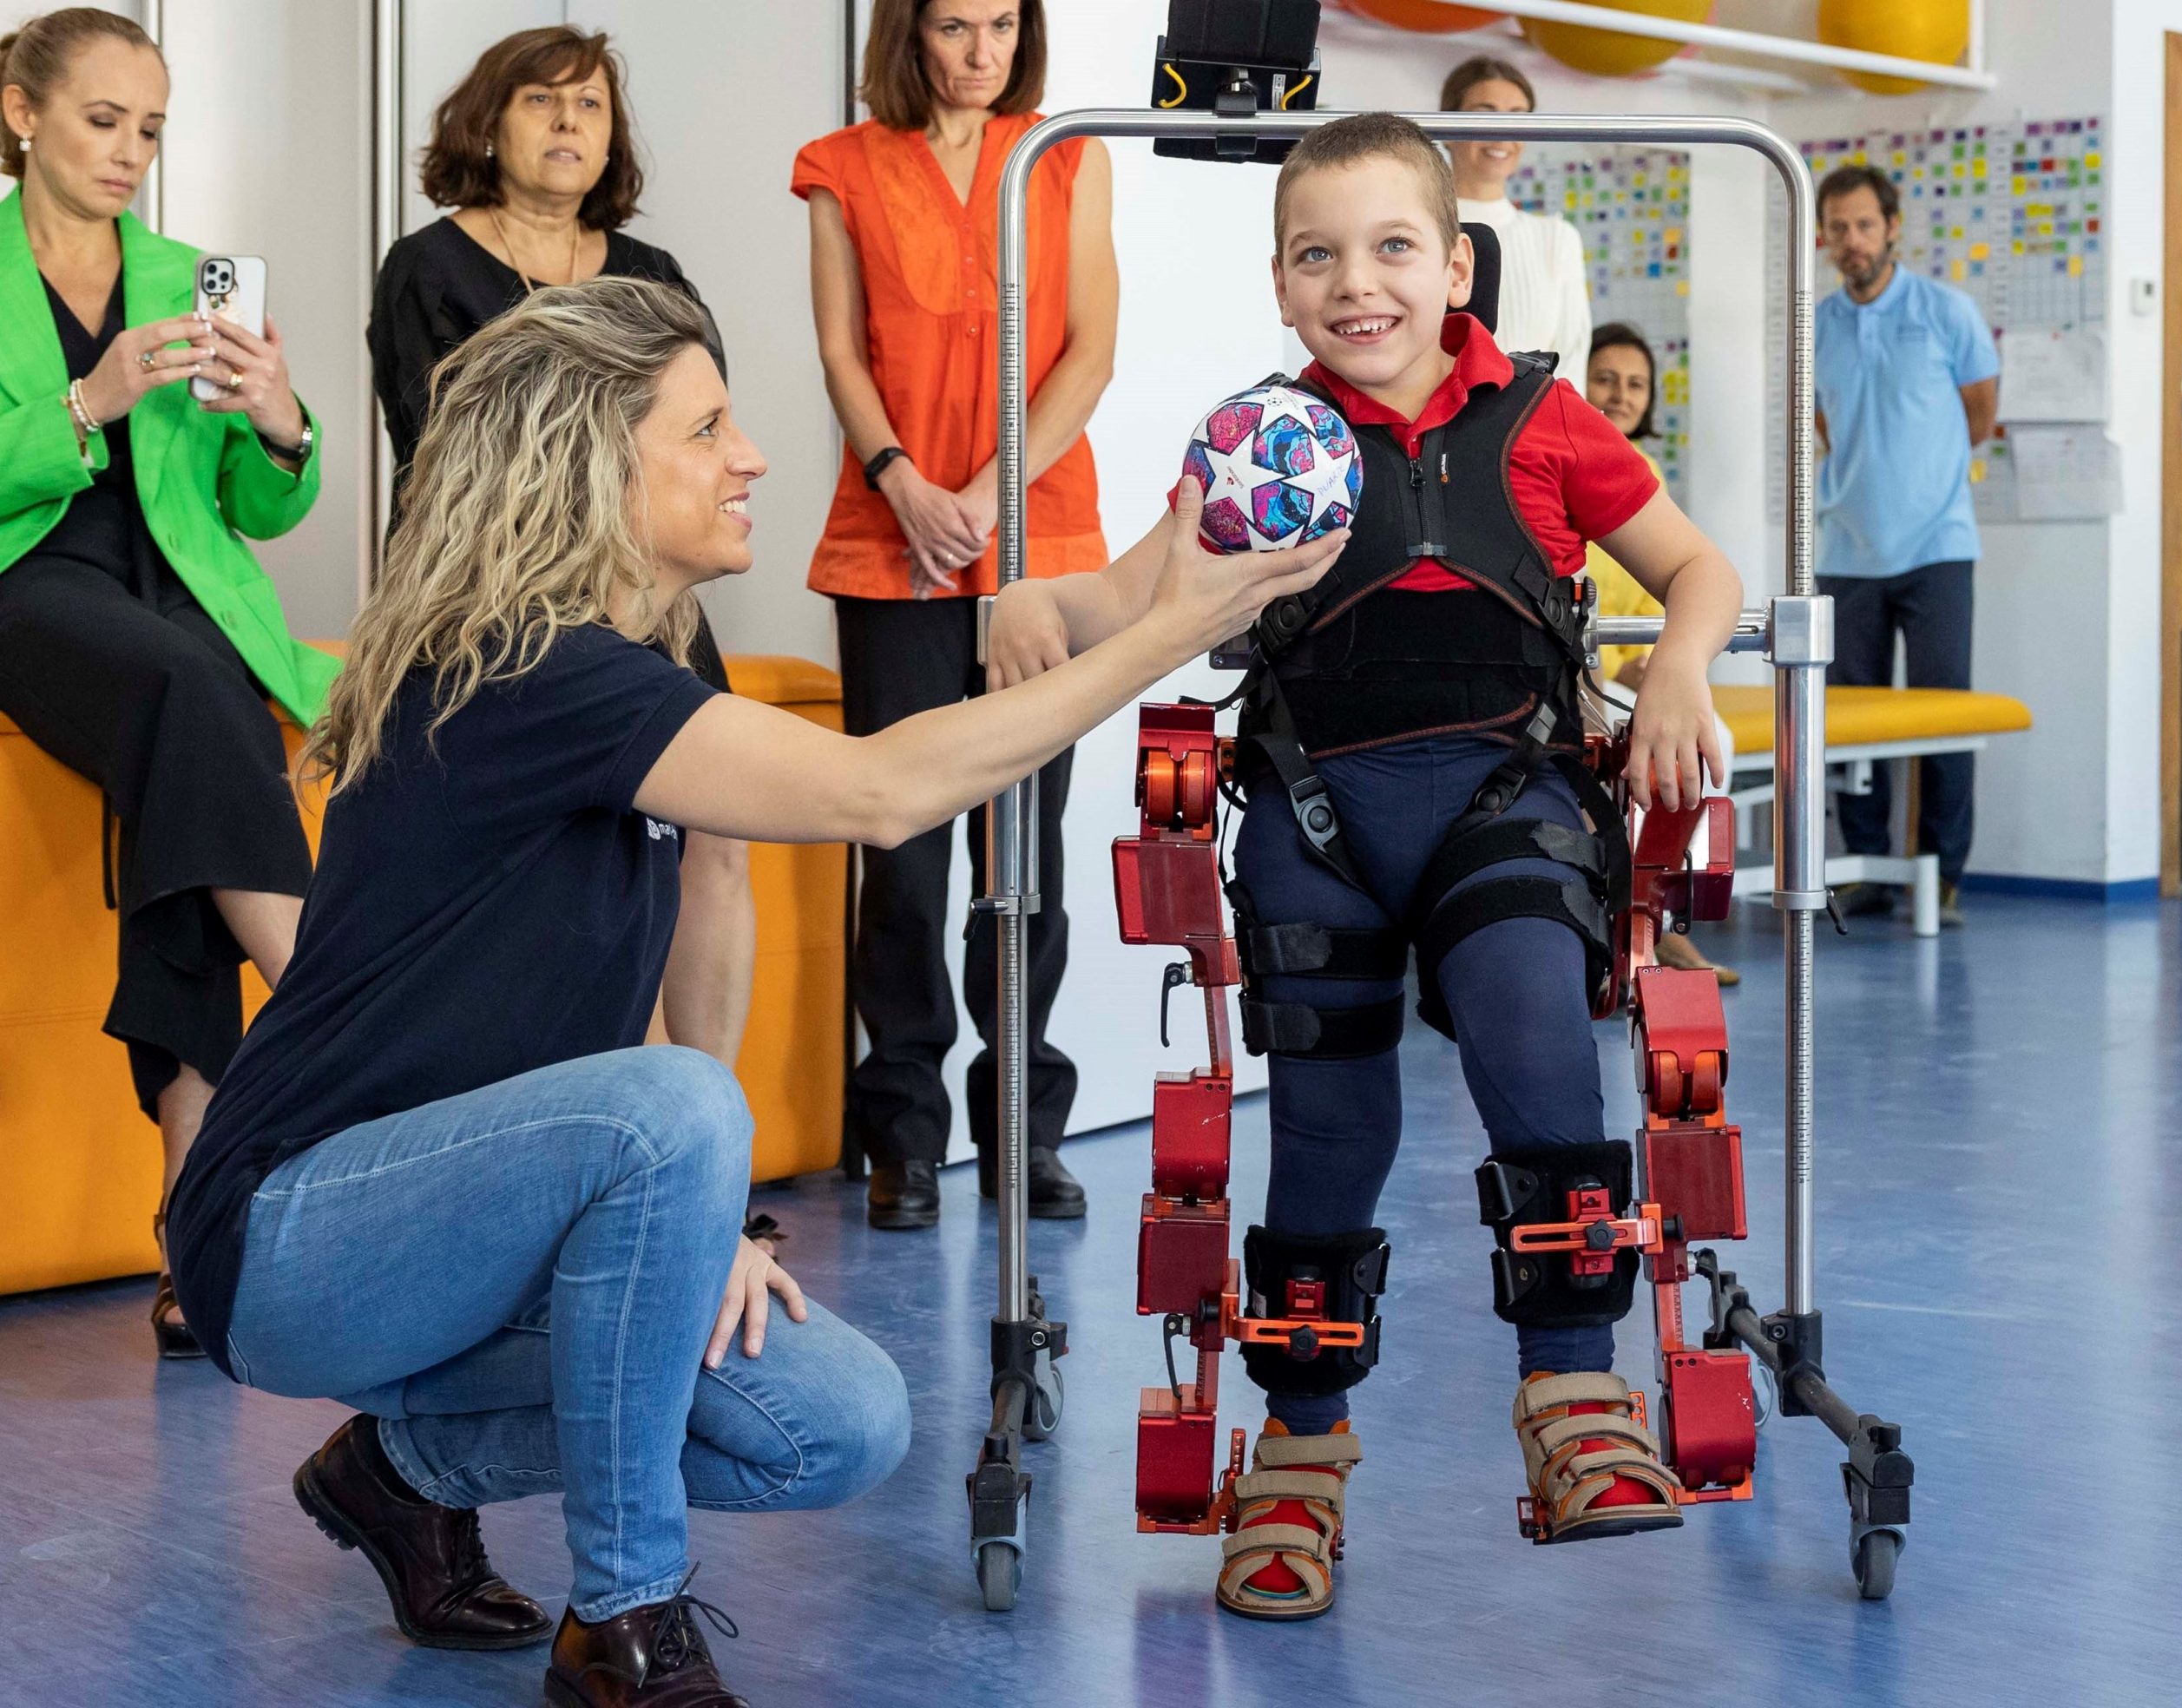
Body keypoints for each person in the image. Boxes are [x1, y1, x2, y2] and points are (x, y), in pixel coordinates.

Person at [163, 275, 1343, 1704]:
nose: (754, 457)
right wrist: (1163, 638)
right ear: (595, 463)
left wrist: (673, 1215)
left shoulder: (612, 670)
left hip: (464, 1214)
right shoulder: (530, 672)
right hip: (289, 1240)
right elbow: (881, 791)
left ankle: (403, 1473)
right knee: (679, 1104)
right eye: (707, 427)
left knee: (836, 1421)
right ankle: (625, 1625)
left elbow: (559, 1021)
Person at [988, 114, 1744, 1621]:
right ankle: (1301, 1448)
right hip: (1317, 822)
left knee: (1536, 1030)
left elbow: (1697, 567)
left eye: (1394, 247)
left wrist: (1680, 667)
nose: (1358, 282)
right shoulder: (1261, 445)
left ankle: (1573, 1389)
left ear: (1456, 266)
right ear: (1281, 283)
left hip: (1508, 807)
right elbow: (1135, 594)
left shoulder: (1543, 421)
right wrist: (1036, 603)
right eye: (1317, 256)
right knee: (1328, 1132)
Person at [0, 9, 330, 1360]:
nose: (131, 151)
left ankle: (189, 1231)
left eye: (149, 129)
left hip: (181, 594)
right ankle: (329, 997)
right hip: (29, 577)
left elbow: (256, 506)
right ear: (20, 113)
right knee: (198, 695)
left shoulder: (192, 278)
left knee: (192, 741)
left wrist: (280, 421)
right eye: (102, 120)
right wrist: (86, 405)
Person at [370, 23, 753, 1067]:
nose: (568, 122)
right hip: (502, 602)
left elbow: (696, 431)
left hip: (645, 590)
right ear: (487, 124)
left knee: (719, 831)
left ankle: (708, 1117)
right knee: (593, 848)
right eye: (541, 100)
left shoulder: (651, 273)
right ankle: (622, 1116)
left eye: (589, 104)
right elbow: (450, 454)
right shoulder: (426, 266)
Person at [795, 0, 1117, 1232]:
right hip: (894, 543)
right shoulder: (840, 166)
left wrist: (991, 496)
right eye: (952, 27)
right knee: (903, 854)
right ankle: (903, 1138)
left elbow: (1089, 351)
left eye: (1000, 25)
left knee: (1024, 851)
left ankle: (1024, 1127)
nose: (981, 53)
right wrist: (902, 483)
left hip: (1038, 540)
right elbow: (841, 353)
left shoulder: (1065, 153)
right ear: (908, 33)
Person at [1813, 162, 2000, 929]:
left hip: (1938, 548)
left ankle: (1942, 874)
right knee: (1849, 723)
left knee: (1944, 716)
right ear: (1823, 237)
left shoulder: (1947, 311)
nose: (1852, 240)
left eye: (1865, 224)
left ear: (1892, 227)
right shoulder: (1816, 324)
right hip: (1844, 552)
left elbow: (1980, 417)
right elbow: (1823, 423)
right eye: (1838, 228)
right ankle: (1867, 869)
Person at [1584, 322, 1738, 984]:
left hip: (1629, 669)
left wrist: (1662, 661)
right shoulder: (1555, 457)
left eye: (1636, 385)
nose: (1621, 395)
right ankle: (1623, 925)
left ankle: (1662, 919)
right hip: (1580, 673)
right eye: (1606, 379)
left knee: (1708, 738)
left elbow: (1663, 596)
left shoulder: (1643, 475)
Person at [1442, 54, 1590, 383]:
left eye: (1518, 118)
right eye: (1485, 115)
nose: (1503, 133)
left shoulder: (1557, 238)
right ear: (1448, 129)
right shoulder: (1419, 231)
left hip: (1535, 414)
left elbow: (1572, 360)